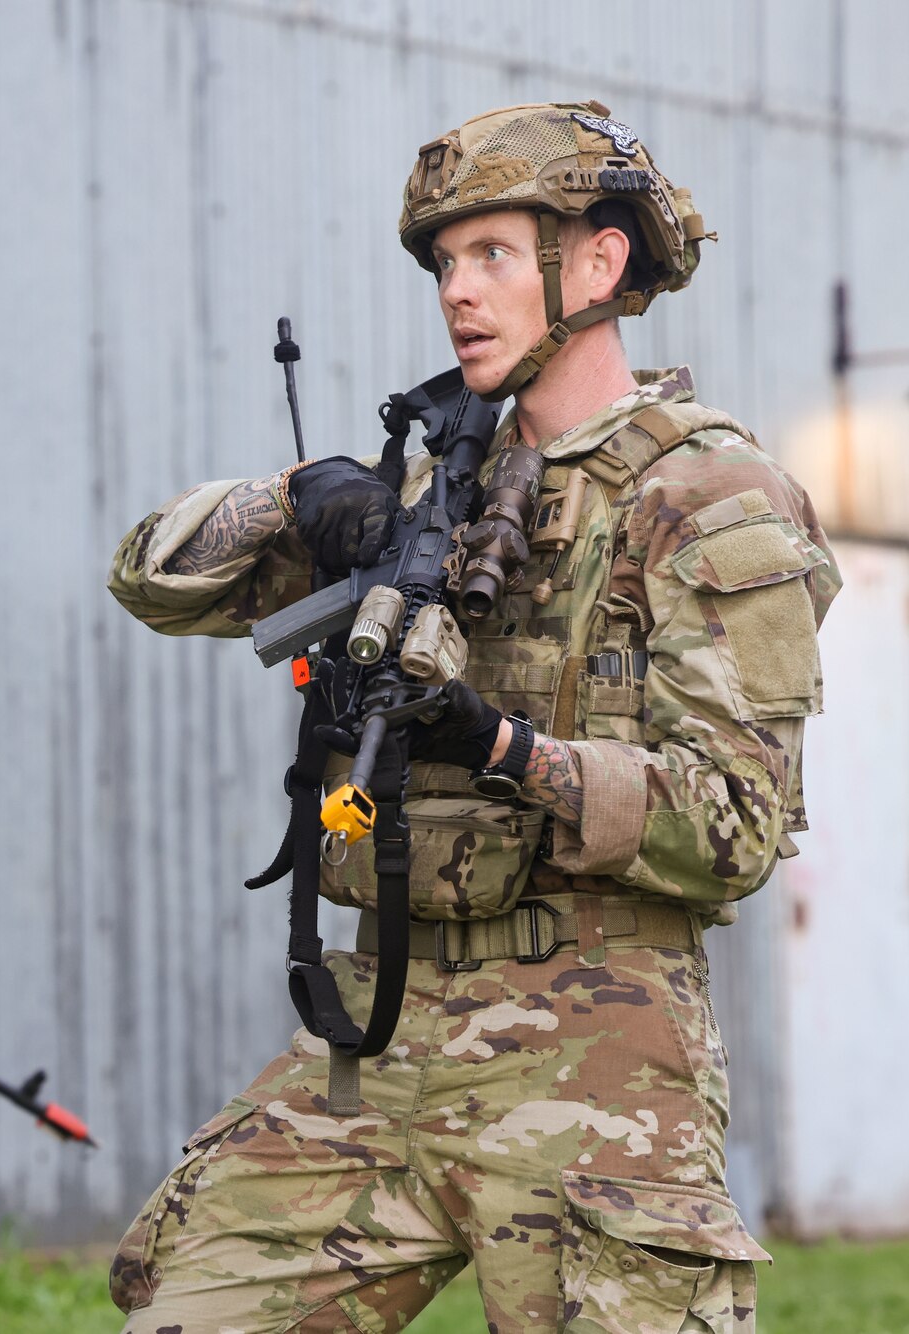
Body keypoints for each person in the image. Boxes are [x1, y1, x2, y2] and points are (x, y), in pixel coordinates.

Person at [105, 101, 838, 1332]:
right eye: (444, 263)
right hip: (378, 1026)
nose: (457, 291)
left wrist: (505, 748)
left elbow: (736, 824)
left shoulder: (707, 494)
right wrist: (300, 496)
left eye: (493, 253)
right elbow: (149, 578)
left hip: (596, 1046)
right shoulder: (422, 497)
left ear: (596, 262)